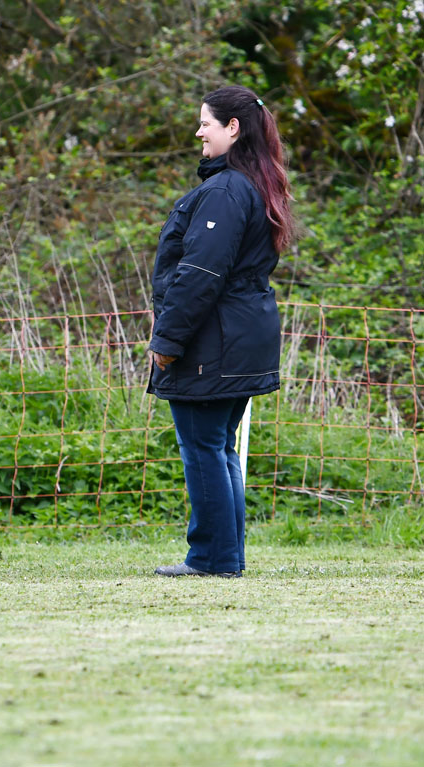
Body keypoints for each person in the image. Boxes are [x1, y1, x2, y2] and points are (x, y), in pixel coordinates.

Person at [147, 86, 295, 578]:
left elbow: (201, 275)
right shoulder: (251, 185)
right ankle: (225, 558)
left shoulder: (226, 191)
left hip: (216, 340)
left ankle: (211, 558)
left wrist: (167, 341)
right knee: (218, 446)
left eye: (205, 122)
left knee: (203, 448)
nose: (198, 132)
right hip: (239, 335)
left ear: (232, 128)